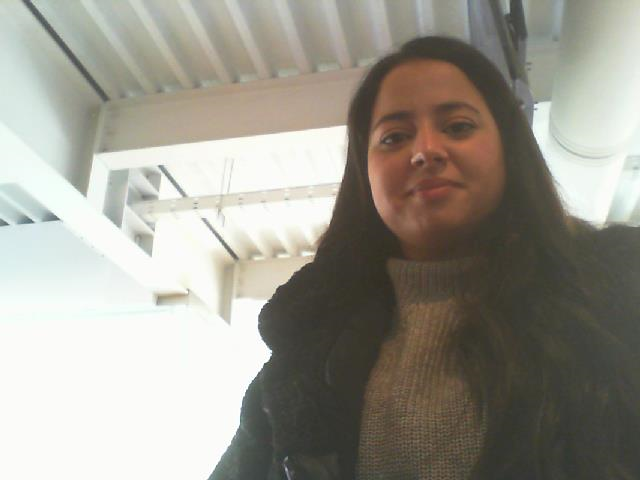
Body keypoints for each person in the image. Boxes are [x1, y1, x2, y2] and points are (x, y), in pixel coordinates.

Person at [209, 36, 640, 480]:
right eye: (394, 137)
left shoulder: (617, 291)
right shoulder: (304, 349)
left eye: (458, 127)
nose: (425, 151)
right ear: (365, 175)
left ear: (508, 149)